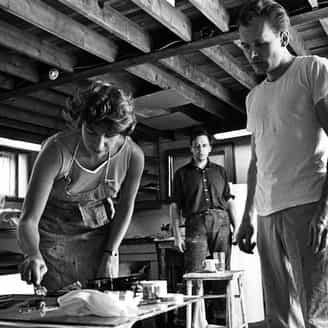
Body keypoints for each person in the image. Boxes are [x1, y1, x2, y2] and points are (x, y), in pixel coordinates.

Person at [236, 1, 328, 327]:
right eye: (246, 46)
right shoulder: (254, 97)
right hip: (266, 214)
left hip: (307, 205)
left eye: (261, 43)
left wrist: (324, 212)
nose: (252, 54)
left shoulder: (313, 70)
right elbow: (256, 162)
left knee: (316, 316)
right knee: (278, 317)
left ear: (284, 37)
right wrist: (247, 217)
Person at [17, 82, 144, 291]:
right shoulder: (56, 150)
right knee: (63, 304)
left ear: (121, 132)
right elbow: (28, 219)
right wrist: (33, 254)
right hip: (54, 233)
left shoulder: (133, 156)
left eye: (109, 136)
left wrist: (110, 253)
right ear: (80, 122)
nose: (99, 144)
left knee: (103, 299)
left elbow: (125, 207)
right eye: (92, 132)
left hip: (101, 233)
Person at [170, 128, 237, 326]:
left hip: (221, 222)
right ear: (191, 149)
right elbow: (175, 206)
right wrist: (176, 235)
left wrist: (237, 226)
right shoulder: (181, 174)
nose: (201, 149)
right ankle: (196, 321)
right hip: (195, 223)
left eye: (204, 145)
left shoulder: (220, 171)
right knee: (193, 273)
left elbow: (229, 200)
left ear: (210, 148)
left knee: (221, 272)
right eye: (196, 145)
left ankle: (222, 320)